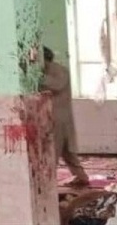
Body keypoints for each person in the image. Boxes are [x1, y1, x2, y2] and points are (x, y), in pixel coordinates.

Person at [41, 46, 89, 187]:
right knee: (66, 150)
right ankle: (81, 176)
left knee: (53, 150)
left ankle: (48, 182)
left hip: (58, 116)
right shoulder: (51, 70)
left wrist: (37, 77)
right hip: (56, 115)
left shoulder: (58, 70)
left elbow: (57, 85)